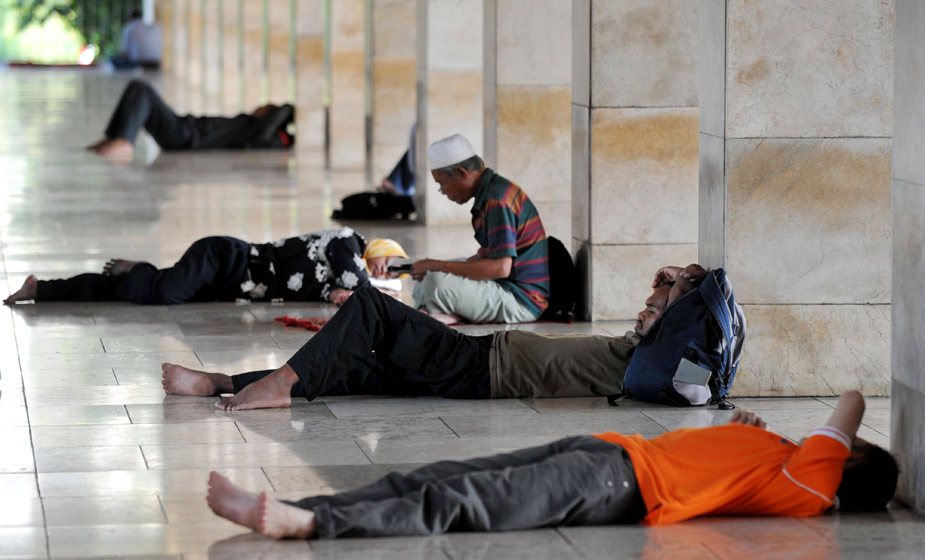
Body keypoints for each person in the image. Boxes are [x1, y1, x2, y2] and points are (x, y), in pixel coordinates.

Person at [204, 390, 898, 539]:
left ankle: (309, 527)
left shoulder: (816, 482)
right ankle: (302, 511)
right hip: (605, 452)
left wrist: (839, 440)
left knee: (464, 504)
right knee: (437, 477)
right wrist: (744, 434)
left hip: (618, 484)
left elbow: (849, 401)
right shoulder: (792, 464)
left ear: (850, 460)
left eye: (846, 447)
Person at [158, 263, 709, 410]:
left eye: (654, 310)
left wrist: (684, 282)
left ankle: (280, 383)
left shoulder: (651, 363)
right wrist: (671, 283)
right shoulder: (641, 351)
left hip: (478, 366)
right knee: (356, 368)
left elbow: (694, 310)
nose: (642, 312)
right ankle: (222, 382)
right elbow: (681, 301)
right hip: (481, 359)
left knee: (371, 306)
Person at [3, 231, 408, 307]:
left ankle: (44, 289)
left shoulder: (341, 277)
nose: (383, 272)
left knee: (134, 292)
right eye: (388, 265)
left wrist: (339, 295)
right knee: (162, 292)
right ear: (380, 249)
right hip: (225, 258)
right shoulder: (346, 242)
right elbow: (359, 286)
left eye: (390, 275)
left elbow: (340, 292)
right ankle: (141, 268)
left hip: (228, 286)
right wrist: (378, 289)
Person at [409, 133, 549, 325]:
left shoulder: (496, 200)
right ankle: (447, 313)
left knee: (436, 283)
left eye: (442, 183)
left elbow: (500, 268)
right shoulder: (492, 192)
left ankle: (445, 313)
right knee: (426, 280)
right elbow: (487, 258)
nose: (442, 191)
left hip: (520, 300)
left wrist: (439, 266)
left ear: (461, 173)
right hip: (501, 287)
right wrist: (435, 267)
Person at [87, 80, 294, 159]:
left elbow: (286, 110)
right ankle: (114, 137)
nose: (259, 107)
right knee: (138, 88)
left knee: (141, 89)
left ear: (269, 116)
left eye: (266, 107)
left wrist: (286, 112)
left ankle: (124, 140)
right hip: (184, 127)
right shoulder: (248, 124)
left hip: (185, 136)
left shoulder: (256, 132)